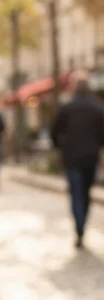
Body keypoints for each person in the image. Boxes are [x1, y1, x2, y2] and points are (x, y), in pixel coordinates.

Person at [51, 71, 104, 248]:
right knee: (86, 193)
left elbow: (55, 131)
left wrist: (59, 147)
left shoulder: (67, 107)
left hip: (72, 158)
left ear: (75, 87)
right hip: (90, 157)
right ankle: (82, 226)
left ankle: (79, 227)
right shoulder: (97, 107)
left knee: (76, 194)